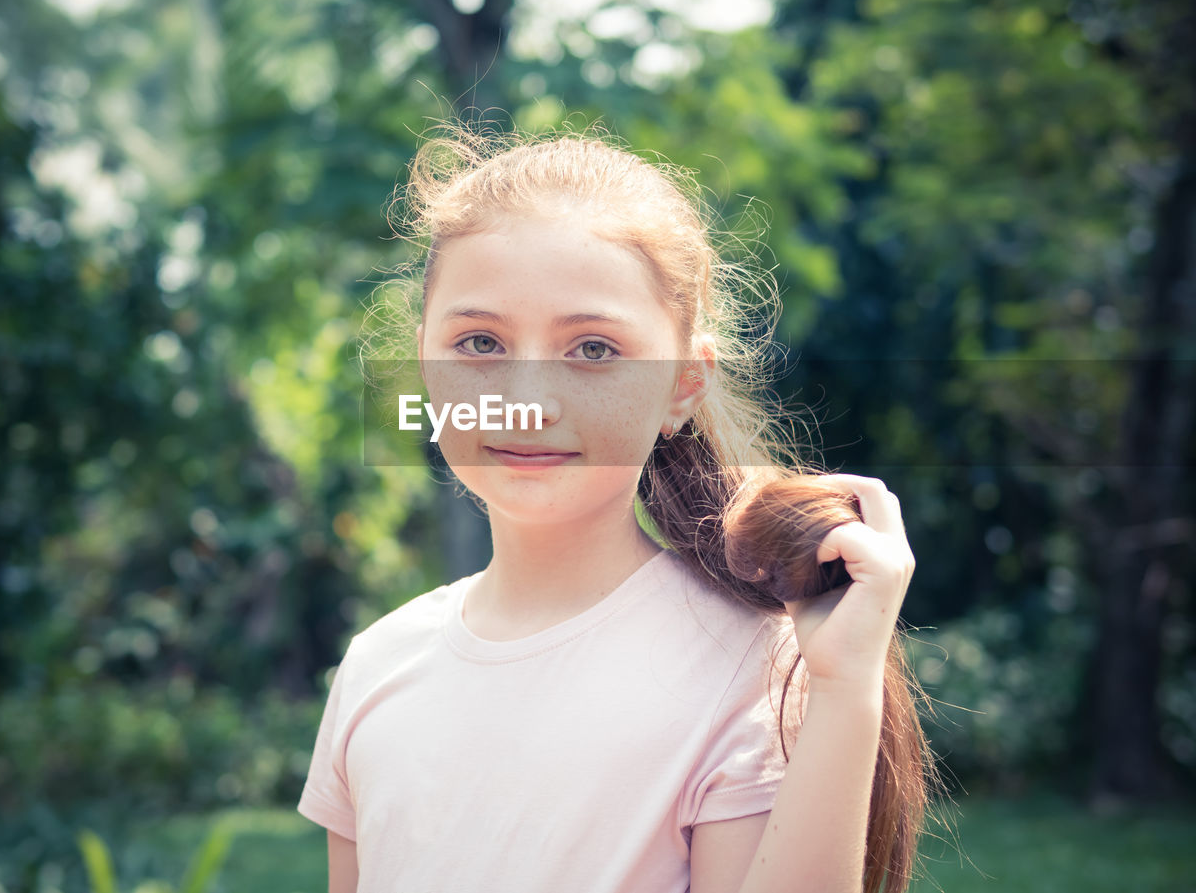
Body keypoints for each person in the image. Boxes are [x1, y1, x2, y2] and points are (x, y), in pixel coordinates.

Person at [298, 127, 931, 893]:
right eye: (479, 342)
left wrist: (844, 687)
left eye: (593, 349)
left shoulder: (749, 662)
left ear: (683, 385)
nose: (526, 400)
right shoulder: (377, 664)